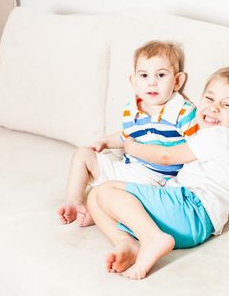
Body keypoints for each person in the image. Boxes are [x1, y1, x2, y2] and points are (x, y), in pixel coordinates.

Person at [87, 66, 229, 280]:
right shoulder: (207, 136)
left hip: (193, 209)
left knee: (106, 190)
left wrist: (132, 148)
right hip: (188, 223)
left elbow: (166, 156)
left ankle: (153, 238)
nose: (214, 108)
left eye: (227, 104)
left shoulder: (221, 136)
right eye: (209, 98)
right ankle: (128, 244)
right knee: (95, 198)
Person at [57, 41, 198, 227]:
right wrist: (106, 142)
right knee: (83, 154)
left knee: (122, 198)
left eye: (161, 75)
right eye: (144, 75)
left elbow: (195, 146)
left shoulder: (183, 111)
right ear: (133, 81)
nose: (152, 82)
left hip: (154, 180)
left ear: (178, 81)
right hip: (127, 170)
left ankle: (99, 212)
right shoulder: (132, 110)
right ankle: (74, 202)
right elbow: (127, 136)